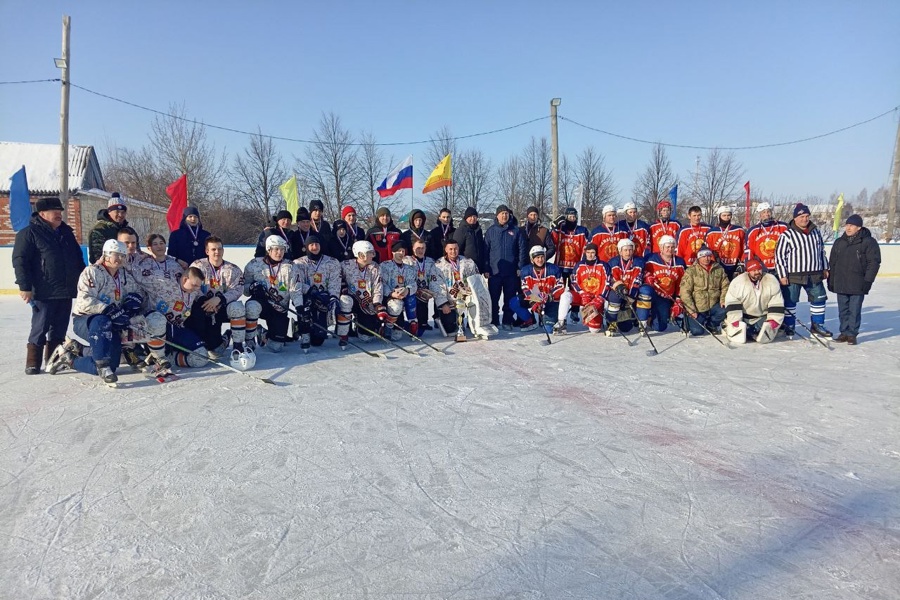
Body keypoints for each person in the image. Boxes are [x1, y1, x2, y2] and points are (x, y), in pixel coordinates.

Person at [46, 239, 144, 386]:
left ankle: (70, 358)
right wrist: (107, 309)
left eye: (122, 255)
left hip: (110, 324)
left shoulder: (124, 275)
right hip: (85, 320)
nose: (119, 259)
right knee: (102, 322)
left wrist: (133, 301)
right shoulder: (92, 272)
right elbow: (84, 299)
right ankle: (102, 365)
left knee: (112, 365)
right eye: (115, 255)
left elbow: (137, 291)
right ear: (106, 255)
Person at [12, 196, 86, 374]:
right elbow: (20, 261)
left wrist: (84, 280)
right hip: (43, 291)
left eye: (60, 211)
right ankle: (33, 363)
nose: (59, 214)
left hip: (66, 289)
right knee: (40, 327)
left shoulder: (66, 232)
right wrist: (25, 286)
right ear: (42, 214)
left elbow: (77, 258)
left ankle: (53, 359)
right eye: (56, 212)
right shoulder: (29, 233)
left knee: (59, 329)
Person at [188, 236, 259, 358]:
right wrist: (204, 301)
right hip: (204, 308)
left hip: (223, 307)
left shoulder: (233, 269)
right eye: (213, 249)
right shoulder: (197, 266)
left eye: (220, 249)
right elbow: (191, 286)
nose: (217, 252)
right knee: (215, 352)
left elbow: (238, 289)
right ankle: (225, 338)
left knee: (237, 307)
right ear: (207, 251)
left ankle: (238, 346)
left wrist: (220, 299)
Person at [138, 265, 211, 376]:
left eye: (198, 286)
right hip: (157, 327)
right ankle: (158, 357)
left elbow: (199, 294)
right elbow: (137, 275)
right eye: (194, 285)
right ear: (185, 279)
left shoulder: (194, 290)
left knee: (202, 357)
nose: (196, 289)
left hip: (177, 328)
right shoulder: (164, 283)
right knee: (157, 321)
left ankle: (169, 358)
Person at [775, 203, 831, 338]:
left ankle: (817, 325)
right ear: (795, 218)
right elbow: (779, 256)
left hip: (814, 273)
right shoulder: (787, 235)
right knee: (790, 301)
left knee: (819, 299)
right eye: (801, 216)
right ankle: (789, 326)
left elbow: (821, 251)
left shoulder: (816, 232)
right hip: (794, 274)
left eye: (806, 216)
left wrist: (824, 267)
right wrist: (782, 275)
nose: (804, 219)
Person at [243, 235, 303, 353]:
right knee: (252, 307)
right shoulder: (254, 264)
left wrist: (300, 307)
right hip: (262, 304)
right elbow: (244, 289)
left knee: (276, 347)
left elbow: (295, 290)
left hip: (280, 308)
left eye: (282, 249)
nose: (279, 252)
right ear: (268, 249)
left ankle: (263, 333)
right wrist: (252, 288)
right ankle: (250, 339)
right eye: (276, 249)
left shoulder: (290, 266)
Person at [827, 214, 881, 345]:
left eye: (852, 225)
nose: (848, 228)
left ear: (859, 227)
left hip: (858, 283)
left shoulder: (868, 242)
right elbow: (832, 262)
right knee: (843, 310)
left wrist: (868, 281)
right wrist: (831, 280)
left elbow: (873, 263)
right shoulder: (839, 242)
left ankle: (852, 334)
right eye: (847, 225)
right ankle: (844, 332)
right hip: (841, 282)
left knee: (854, 310)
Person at [432, 239, 493, 339]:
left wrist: (475, 294)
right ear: (446, 250)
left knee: (478, 305)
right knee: (450, 330)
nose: (453, 251)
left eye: (455, 248)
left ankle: (478, 327)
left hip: (466, 296)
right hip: (449, 300)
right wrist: (443, 303)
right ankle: (450, 322)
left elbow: (477, 280)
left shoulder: (468, 262)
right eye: (450, 249)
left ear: (458, 249)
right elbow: (436, 286)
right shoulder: (438, 265)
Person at [293, 235, 342, 351]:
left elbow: (335, 282)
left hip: (323, 298)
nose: (315, 247)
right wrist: (309, 290)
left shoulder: (332, 262)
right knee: (305, 307)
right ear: (306, 247)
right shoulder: (298, 263)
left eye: (317, 244)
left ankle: (318, 328)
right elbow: (296, 283)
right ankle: (301, 328)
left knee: (318, 340)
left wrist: (332, 297)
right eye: (311, 245)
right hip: (307, 296)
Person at [485, 204, 528, 330]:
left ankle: (507, 321)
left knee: (509, 298)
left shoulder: (515, 231)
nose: (504, 215)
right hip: (495, 272)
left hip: (511, 272)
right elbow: (485, 251)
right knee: (493, 298)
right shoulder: (490, 231)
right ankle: (494, 321)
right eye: (502, 213)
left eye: (506, 213)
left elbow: (522, 250)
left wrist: (520, 266)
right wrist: (486, 268)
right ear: (497, 215)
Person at [336, 240, 386, 347]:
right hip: (352, 299)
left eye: (372, 253)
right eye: (369, 253)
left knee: (366, 338)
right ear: (360, 254)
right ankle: (343, 335)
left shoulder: (375, 267)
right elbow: (337, 279)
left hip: (366, 303)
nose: (372, 255)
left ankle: (365, 327)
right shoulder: (345, 265)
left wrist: (377, 304)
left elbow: (378, 287)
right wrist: (343, 288)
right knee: (345, 301)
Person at [512, 246, 572, 334]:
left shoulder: (554, 269)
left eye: (542, 257)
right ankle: (530, 321)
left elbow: (560, 287)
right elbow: (525, 288)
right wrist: (534, 301)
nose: (540, 260)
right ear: (532, 259)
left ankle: (553, 320)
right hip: (535, 297)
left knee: (548, 329)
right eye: (537, 257)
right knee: (514, 302)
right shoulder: (526, 270)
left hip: (551, 301)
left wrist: (549, 297)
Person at [723, 258, 784, 344]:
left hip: (762, 317)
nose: (757, 272)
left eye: (759, 269)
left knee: (763, 330)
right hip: (744, 318)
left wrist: (773, 320)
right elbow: (732, 302)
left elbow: (776, 302)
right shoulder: (738, 282)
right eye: (753, 270)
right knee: (742, 331)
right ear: (748, 271)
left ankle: (753, 332)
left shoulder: (771, 280)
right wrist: (736, 321)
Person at [550, 206, 591, 323]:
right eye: (569, 217)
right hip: (561, 266)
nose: (571, 219)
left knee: (576, 290)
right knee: (559, 290)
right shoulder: (561, 229)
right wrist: (554, 226)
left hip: (575, 267)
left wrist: (583, 263)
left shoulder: (582, 231)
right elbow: (552, 240)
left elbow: (586, 246)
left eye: (574, 217)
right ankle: (559, 313)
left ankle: (574, 311)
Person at [679, 245, 729, 336]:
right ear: (699, 257)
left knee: (724, 310)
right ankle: (687, 321)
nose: (706, 258)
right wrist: (691, 310)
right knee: (697, 332)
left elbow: (726, 286)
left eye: (708, 256)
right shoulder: (691, 271)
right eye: (703, 256)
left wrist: (723, 299)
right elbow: (684, 292)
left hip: (714, 304)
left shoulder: (719, 269)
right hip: (698, 307)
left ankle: (711, 325)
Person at [643, 234, 687, 332]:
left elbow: (682, 282)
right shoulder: (651, 259)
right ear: (661, 247)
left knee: (660, 327)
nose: (670, 249)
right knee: (645, 292)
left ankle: (654, 318)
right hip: (653, 294)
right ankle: (643, 317)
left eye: (672, 247)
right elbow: (641, 271)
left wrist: (678, 299)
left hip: (666, 297)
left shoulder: (679, 262)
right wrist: (646, 276)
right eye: (667, 247)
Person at [605, 238, 645, 335]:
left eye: (630, 250)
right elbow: (610, 278)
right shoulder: (613, 262)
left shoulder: (638, 262)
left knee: (626, 328)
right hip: (618, 292)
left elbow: (637, 280)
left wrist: (630, 296)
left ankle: (636, 318)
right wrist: (617, 285)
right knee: (614, 297)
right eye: (625, 250)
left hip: (631, 295)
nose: (628, 252)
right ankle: (612, 322)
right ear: (620, 251)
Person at [378, 241, 417, 339]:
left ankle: (411, 322)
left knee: (397, 337)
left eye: (403, 251)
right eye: (399, 251)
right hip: (390, 298)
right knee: (396, 305)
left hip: (403, 297)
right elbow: (382, 283)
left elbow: (413, 283)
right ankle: (388, 327)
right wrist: (392, 293)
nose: (401, 253)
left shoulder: (409, 268)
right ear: (393, 252)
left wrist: (407, 290)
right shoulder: (385, 266)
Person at [570, 243, 610, 334]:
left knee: (594, 330)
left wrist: (601, 297)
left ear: (596, 253)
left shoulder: (603, 265)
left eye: (592, 252)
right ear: (585, 253)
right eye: (588, 252)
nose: (590, 255)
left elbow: (607, 283)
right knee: (565, 295)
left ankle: (603, 314)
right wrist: (582, 292)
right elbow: (573, 281)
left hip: (597, 297)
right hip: (584, 295)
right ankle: (561, 322)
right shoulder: (579, 265)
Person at [404, 238, 441, 332]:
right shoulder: (407, 260)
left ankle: (424, 322)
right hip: (412, 291)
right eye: (418, 248)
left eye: (423, 248)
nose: (420, 250)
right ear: (413, 248)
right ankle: (412, 323)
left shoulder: (430, 261)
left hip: (425, 290)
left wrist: (432, 288)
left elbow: (434, 276)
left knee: (424, 305)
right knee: (415, 307)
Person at [745, 202, 787, 273]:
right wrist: (749, 267)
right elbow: (749, 251)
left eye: (768, 211)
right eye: (763, 212)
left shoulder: (783, 227)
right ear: (759, 215)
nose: (766, 214)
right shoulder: (753, 231)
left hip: (780, 268)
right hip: (761, 268)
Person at [706, 205, 746, 280]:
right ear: (719, 216)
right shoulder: (712, 232)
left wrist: (742, 262)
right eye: (724, 215)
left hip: (735, 264)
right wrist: (713, 261)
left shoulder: (739, 230)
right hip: (719, 264)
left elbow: (744, 247)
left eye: (729, 215)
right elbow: (708, 249)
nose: (726, 217)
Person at [88, 193, 129, 263]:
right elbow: (97, 257)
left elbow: (135, 250)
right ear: (109, 212)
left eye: (123, 212)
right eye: (117, 212)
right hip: (106, 269)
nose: (120, 215)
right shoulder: (99, 230)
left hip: (125, 268)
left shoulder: (128, 230)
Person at [453, 207, 487, 273]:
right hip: (465, 266)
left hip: (478, 266)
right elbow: (457, 248)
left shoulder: (478, 231)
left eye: (474, 216)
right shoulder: (461, 230)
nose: (473, 218)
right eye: (470, 216)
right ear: (466, 218)